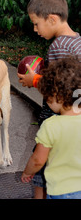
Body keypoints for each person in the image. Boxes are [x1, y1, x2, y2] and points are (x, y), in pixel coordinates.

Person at [18, 0, 81, 198]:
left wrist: (33, 79)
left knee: (42, 169)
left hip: (57, 115)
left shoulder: (59, 46)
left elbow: (58, 85)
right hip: (75, 112)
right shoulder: (78, 40)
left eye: (36, 23)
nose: (35, 29)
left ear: (52, 19)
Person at [21, 56, 81, 199]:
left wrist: (28, 172)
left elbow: (38, 160)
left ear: (56, 96)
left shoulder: (51, 126)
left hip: (62, 191)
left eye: (47, 97)